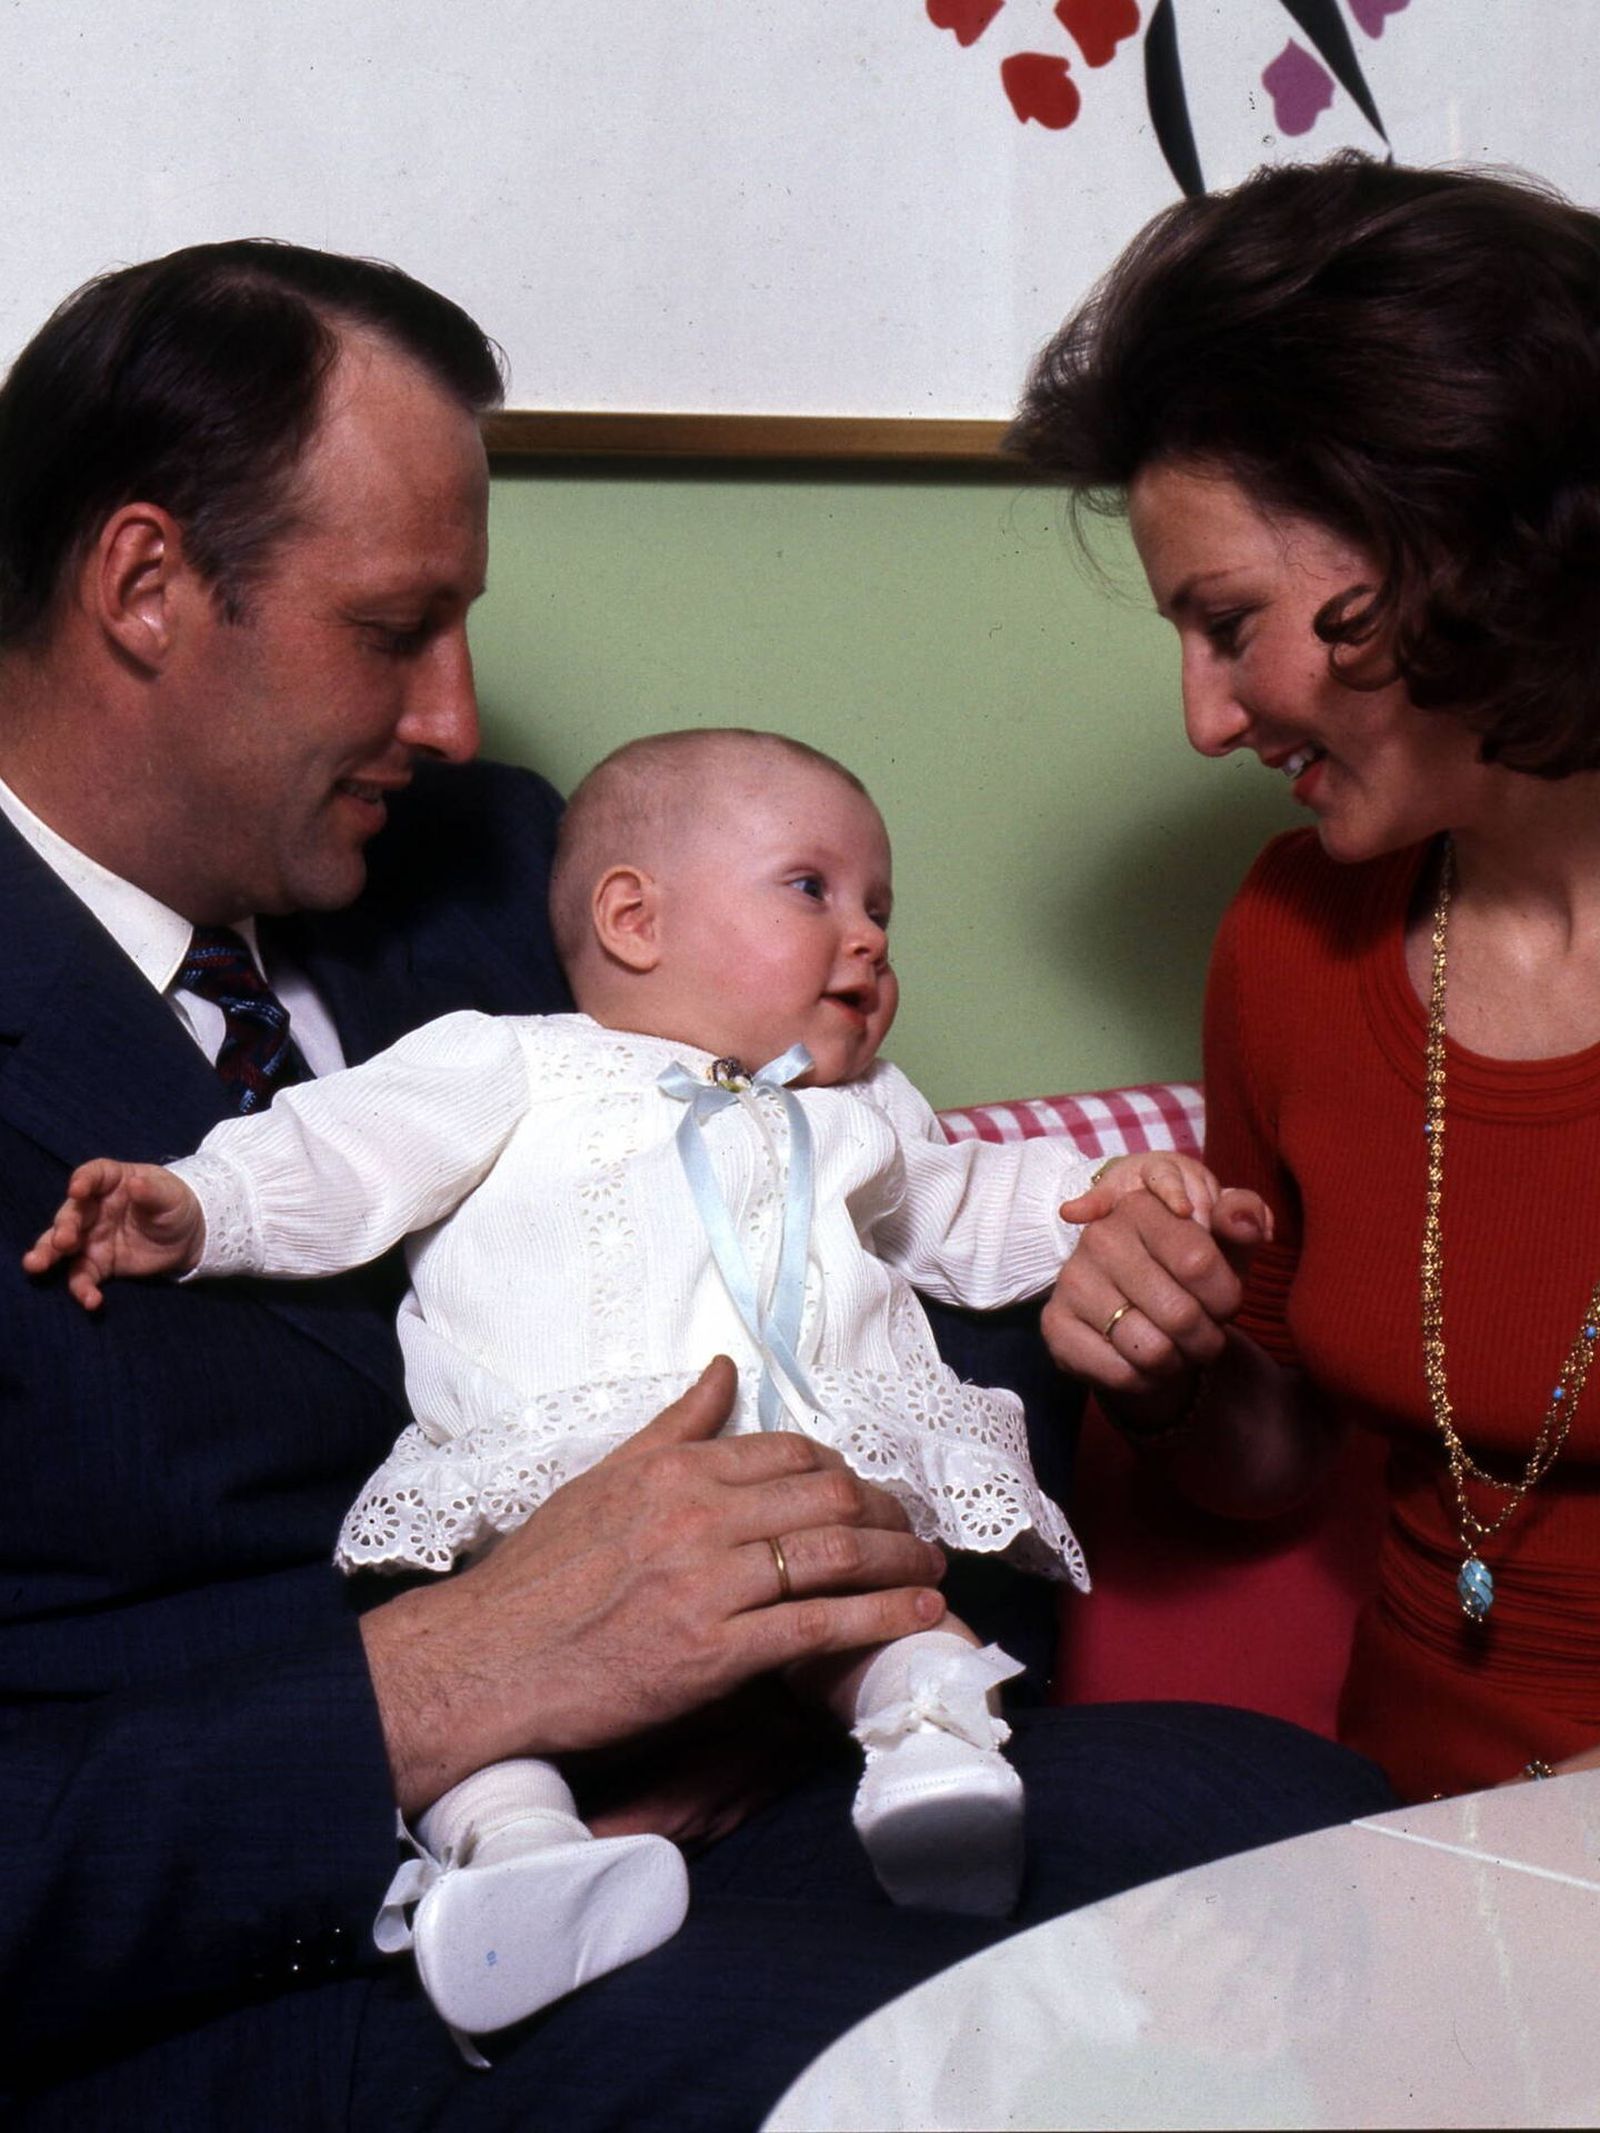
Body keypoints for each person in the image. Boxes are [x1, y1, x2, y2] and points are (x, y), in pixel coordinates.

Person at [0, 237, 1391, 2131]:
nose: (458, 721)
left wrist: (1072, 1319)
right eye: (393, 629)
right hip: (274, 1956)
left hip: (785, 1777)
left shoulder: (498, 870)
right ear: (147, 585)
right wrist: (454, 1687)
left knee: (1332, 1868)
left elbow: (850, 1225)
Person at [28, 722, 1238, 2037]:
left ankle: (933, 1770)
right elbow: (342, 1151)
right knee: (496, 1745)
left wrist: (1102, 1200)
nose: (873, 935)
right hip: (564, 1495)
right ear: (632, 916)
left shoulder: (866, 1106)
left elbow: (966, 1207)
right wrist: (197, 1203)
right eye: (813, 889)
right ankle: (523, 1865)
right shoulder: (515, 1060)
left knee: (888, 1614)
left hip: (801, 1481)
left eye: (881, 904)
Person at [1012, 150, 1600, 1806]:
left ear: (1448, 542)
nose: (1206, 717)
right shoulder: (1293, 931)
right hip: (1404, 1852)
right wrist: (1180, 1357)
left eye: (1230, 621)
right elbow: (1269, 1471)